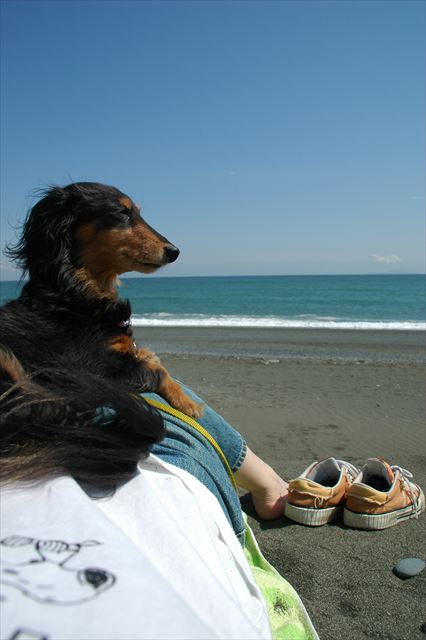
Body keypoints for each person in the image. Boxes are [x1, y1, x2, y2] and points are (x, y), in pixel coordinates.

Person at [1, 371, 317, 640]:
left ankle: (267, 484)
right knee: (142, 384)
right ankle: (269, 484)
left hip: (44, 470)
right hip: (165, 476)